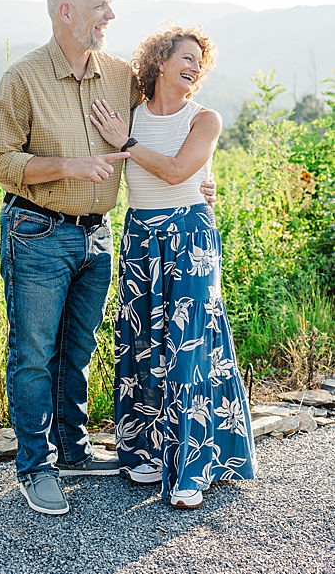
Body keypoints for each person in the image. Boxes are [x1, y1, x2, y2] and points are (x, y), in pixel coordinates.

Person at [0, 0, 215, 516]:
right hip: (36, 230)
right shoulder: (23, 79)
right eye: (100, 7)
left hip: (100, 236)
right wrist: (69, 165)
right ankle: (36, 467)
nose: (111, 17)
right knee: (35, 354)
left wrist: (204, 176)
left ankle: (73, 447)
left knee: (79, 350)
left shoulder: (119, 75)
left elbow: (169, 116)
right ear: (67, 12)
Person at [89, 26, 256, 509]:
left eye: (200, 62)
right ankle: (144, 451)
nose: (194, 67)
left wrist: (127, 143)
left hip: (190, 235)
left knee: (189, 342)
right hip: (141, 233)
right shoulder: (131, 115)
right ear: (160, 61)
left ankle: (193, 468)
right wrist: (122, 139)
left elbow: (181, 171)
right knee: (141, 342)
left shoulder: (205, 119)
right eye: (185, 57)